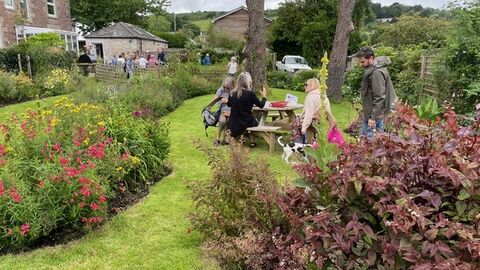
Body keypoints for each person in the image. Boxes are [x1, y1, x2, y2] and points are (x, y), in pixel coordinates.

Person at [357, 47, 396, 138]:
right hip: (373, 113)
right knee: (377, 142)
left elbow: (379, 97)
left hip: (373, 116)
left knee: (369, 144)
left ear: (371, 58)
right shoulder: (374, 69)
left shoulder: (377, 73)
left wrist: (372, 118)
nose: (361, 64)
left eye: (362, 62)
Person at [227, 72, 268, 147]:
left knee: (252, 119)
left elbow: (229, 104)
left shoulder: (232, 92)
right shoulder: (250, 94)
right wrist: (264, 96)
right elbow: (261, 105)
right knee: (255, 121)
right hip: (245, 122)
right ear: (248, 82)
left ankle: (250, 140)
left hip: (233, 123)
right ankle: (253, 141)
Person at [292, 78, 336, 144]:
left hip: (313, 121)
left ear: (311, 86)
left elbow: (309, 115)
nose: (305, 87)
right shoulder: (324, 96)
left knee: (296, 122)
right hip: (322, 120)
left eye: (306, 85)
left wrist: (304, 128)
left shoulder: (310, 97)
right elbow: (328, 111)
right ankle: (314, 142)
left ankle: (297, 144)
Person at [210, 77, 235, 146]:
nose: (226, 89)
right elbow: (215, 99)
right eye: (225, 87)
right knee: (222, 121)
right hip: (222, 111)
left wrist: (228, 101)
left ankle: (226, 138)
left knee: (229, 122)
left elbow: (237, 102)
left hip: (232, 111)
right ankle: (217, 139)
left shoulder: (234, 92)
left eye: (228, 88)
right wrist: (209, 107)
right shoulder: (220, 90)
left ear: (232, 86)